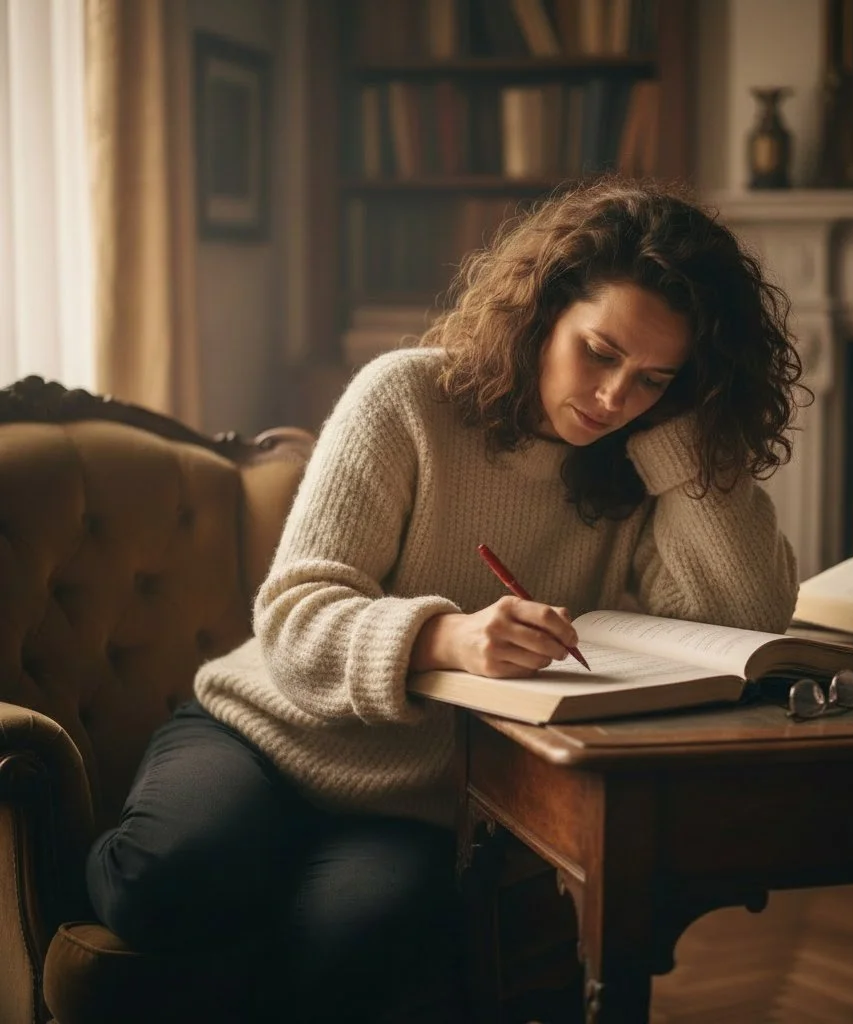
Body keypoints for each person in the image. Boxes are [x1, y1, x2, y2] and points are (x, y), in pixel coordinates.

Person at [85, 176, 804, 1020]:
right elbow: (294, 614)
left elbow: (749, 616)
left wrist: (683, 428)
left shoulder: (642, 460)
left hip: (419, 800)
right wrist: (447, 641)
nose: (614, 398)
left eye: (655, 378)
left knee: (361, 938)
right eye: (601, 352)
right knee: (166, 882)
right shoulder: (408, 398)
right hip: (264, 733)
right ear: (544, 312)